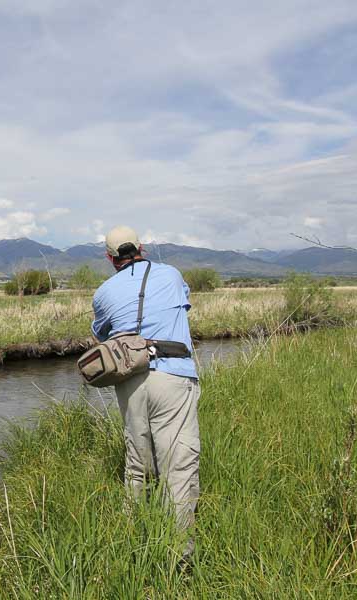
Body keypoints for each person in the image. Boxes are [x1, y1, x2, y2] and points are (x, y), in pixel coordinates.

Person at [91, 225, 200, 560]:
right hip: (174, 374)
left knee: (137, 464)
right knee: (178, 466)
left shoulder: (103, 292)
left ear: (110, 258)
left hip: (130, 380)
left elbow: (102, 336)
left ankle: (133, 545)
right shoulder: (171, 275)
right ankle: (179, 556)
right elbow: (184, 306)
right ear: (142, 248)